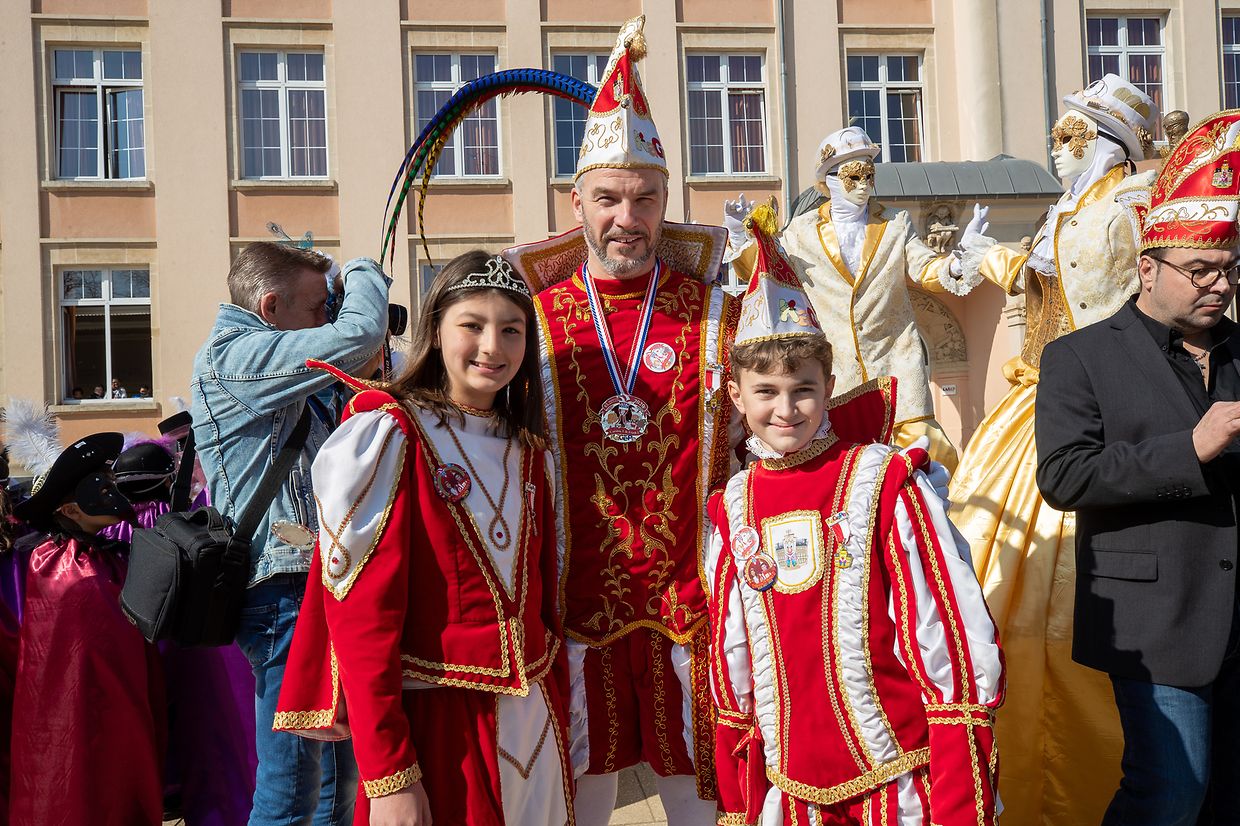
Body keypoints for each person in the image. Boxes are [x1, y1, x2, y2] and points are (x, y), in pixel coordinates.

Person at [498, 17, 736, 825]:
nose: (626, 218)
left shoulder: (713, 312)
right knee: (576, 804)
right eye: (608, 198)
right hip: (572, 610)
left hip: (690, 609)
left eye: (645, 198)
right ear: (578, 202)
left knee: (702, 801)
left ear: (667, 200)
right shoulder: (529, 318)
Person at [706, 207, 1003, 825]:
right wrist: (741, 792)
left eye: (803, 389)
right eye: (765, 392)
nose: (786, 409)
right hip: (790, 787)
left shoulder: (883, 479)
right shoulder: (735, 502)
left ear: (831, 382)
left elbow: (946, 631)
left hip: (898, 781)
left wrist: (959, 797)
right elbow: (731, 652)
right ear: (736, 395)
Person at [276, 251, 573, 826]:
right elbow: (361, 616)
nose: (493, 347)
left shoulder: (530, 451)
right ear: (435, 330)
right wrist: (390, 773)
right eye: (473, 325)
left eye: (512, 330)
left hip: (533, 723)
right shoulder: (390, 434)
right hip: (438, 727)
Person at [944, 74, 1160, 824]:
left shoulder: (1135, 206)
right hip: (1033, 405)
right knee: (985, 566)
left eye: (1070, 136)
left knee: (1079, 597)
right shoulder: (1064, 210)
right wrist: (991, 258)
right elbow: (1044, 274)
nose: (1055, 148)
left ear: (1108, 144)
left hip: (1109, 411)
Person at [1036, 110, 1240, 826]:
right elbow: (1065, 476)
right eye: (1201, 271)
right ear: (1147, 266)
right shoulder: (1080, 357)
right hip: (1159, 622)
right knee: (1170, 793)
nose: (1218, 287)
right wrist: (1190, 448)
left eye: (1229, 271)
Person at [190, 242, 390, 825]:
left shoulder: (278, 367)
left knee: (333, 781)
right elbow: (357, 337)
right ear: (270, 305)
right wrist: (361, 273)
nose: (326, 320)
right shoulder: (238, 357)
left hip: (310, 586)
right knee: (292, 786)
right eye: (317, 309)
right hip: (280, 593)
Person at [724, 127, 986, 473]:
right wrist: (743, 238)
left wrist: (958, 259)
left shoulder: (896, 222)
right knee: (841, 468)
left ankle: (934, 524)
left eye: (869, 174)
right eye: (853, 176)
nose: (864, 184)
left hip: (897, 368)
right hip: (837, 376)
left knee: (928, 454)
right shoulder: (801, 231)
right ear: (829, 181)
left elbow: (925, 268)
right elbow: (766, 270)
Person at [10, 433, 166, 825]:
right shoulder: (62, 569)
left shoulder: (109, 559)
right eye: (102, 485)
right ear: (71, 509)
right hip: (75, 728)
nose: (113, 490)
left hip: (123, 717)